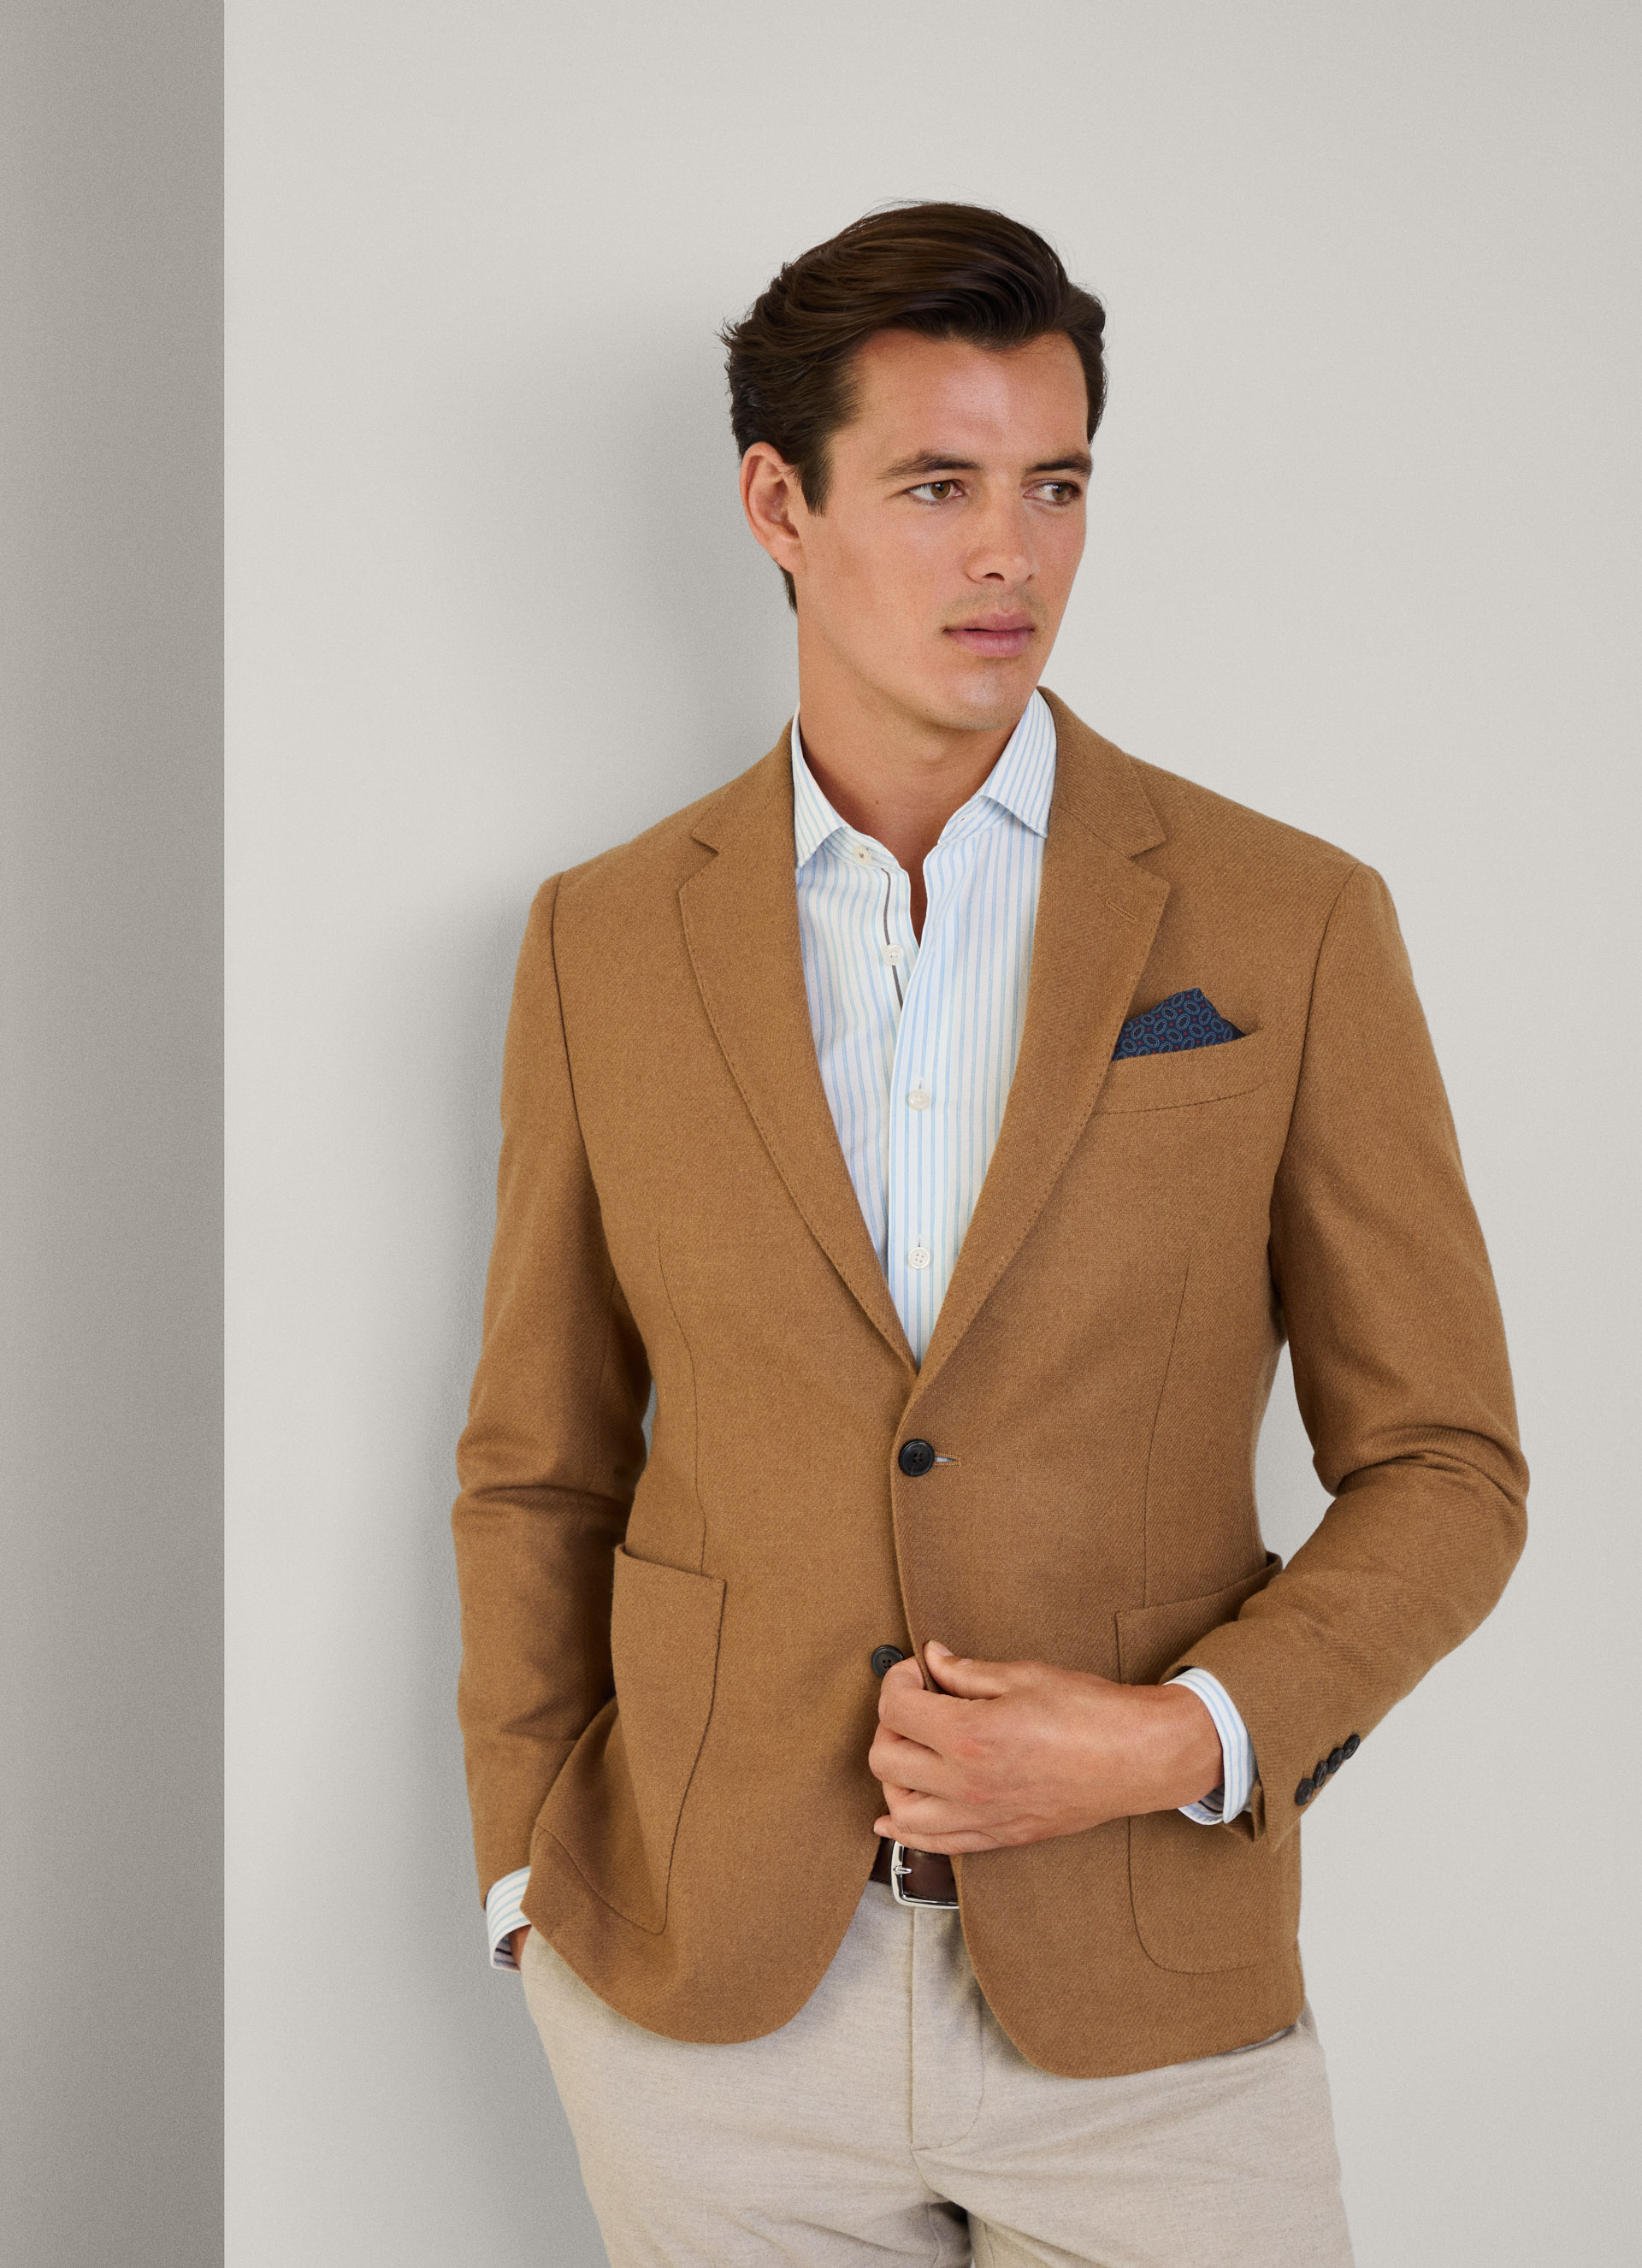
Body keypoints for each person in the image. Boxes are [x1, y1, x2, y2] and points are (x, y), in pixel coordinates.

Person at [452, 202, 1526, 2265]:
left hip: (1151, 2015)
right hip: (707, 2016)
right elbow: (540, 1464)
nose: (1011, 554)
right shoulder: (603, 940)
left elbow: (1447, 1465)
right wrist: (526, 1877)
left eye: (1055, 485)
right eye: (938, 486)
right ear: (779, 504)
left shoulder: (1289, 921)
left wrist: (1182, 1735)